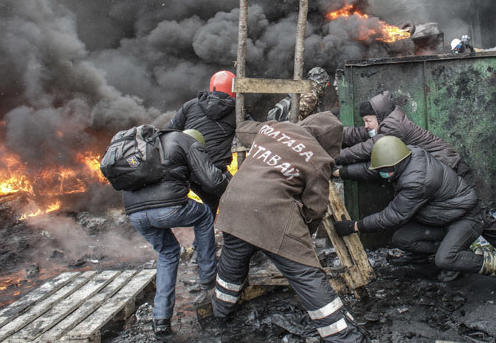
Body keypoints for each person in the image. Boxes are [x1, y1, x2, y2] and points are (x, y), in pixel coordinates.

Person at [211, 112, 368, 342]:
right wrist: (305, 232)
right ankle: (345, 337)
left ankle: (220, 312)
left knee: (232, 261)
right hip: (272, 215)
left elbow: (244, 129)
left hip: (232, 206)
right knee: (306, 275)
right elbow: (316, 208)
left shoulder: (272, 128)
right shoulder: (318, 159)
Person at [333, 90, 496, 269]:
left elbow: (368, 148)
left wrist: (333, 160)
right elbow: (359, 135)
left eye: (368, 120)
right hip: (432, 174)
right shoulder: (386, 121)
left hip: (450, 170)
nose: (366, 126)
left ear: (379, 116)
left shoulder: (392, 128)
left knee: (478, 215)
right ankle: (428, 254)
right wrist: (330, 135)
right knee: (422, 214)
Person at [333, 136, 496, 300]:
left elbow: (393, 216)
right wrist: (339, 172)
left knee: (444, 259)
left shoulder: (416, 181)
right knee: (402, 239)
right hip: (442, 217)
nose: (382, 174)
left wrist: (355, 226)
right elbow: (372, 169)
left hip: (466, 217)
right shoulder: (407, 154)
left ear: (396, 164)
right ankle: (456, 255)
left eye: (385, 170)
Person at [124, 129, 229, 337]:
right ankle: (208, 275)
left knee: (168, 253)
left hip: (134, 213)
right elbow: (212, 181)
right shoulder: (188, 142)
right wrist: (229, 183)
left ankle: (161, 319)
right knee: (204, 216)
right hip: (167, 208)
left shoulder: (151, 145)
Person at [164, 70, 238, 216]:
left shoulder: (191, 105)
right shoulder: (237, 111)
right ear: (235, 90)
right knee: (236, 199)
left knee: (210, 204)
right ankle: (222, 232)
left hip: (187, 170)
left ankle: (205, 225)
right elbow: (251, 133)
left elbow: (168, 131)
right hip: (214, 173)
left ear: (213, 87)